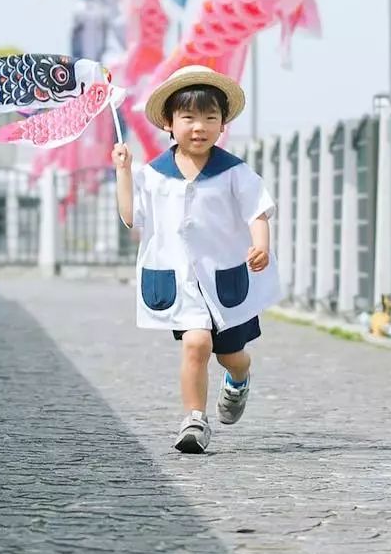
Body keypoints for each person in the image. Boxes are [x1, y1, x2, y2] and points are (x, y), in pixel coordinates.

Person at [113, 65, 279, 453]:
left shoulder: (233, 172)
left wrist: (261, 245)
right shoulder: (154, 174)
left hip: (224, 279)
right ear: (169, 123)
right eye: (188, 117)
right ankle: (194, 420)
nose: (199, 126)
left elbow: (258, 210)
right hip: (181, 280)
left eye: (210, 117)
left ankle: (239, 378)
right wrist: (123, 171)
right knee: (196, 344)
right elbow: (129, 216)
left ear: (222, 124)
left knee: (231, 355)